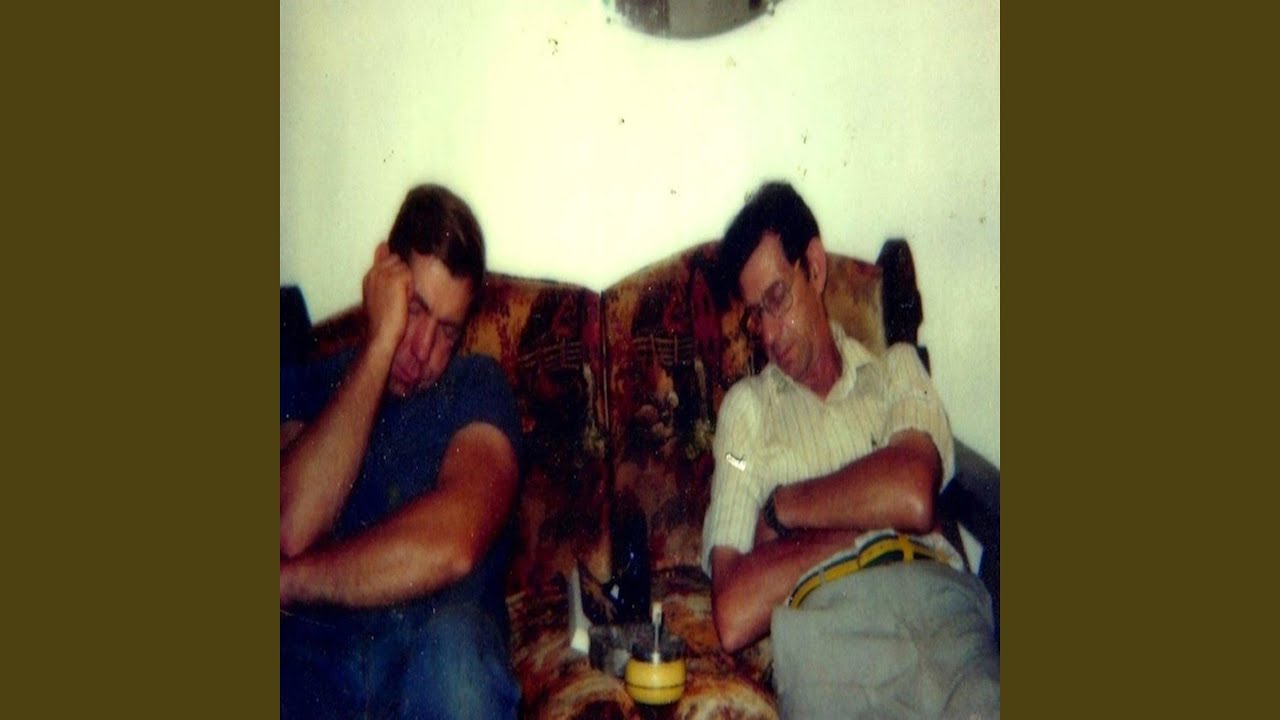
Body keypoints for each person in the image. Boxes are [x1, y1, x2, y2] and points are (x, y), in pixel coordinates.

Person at [701, 182, 999, 718]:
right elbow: (734, 611)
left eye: (777, 299)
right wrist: (872, 524)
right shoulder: (746, 415)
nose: (768, 334)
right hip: (836, 638)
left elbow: (912, 495)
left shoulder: (898, 373)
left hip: (945, 615)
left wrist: (783, 509)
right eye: (755, 315)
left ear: (814, 268)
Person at [279, 184, 522, 719]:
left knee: (457, 663)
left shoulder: (476, 386)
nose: (422, 349)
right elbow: (290, 527)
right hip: (316, 659)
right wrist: (379, 344)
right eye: (414, 309)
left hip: (433, 643)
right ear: (383, 279)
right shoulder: (311, 386)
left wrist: (292, 581)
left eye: (446, 331)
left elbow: (454, 543)